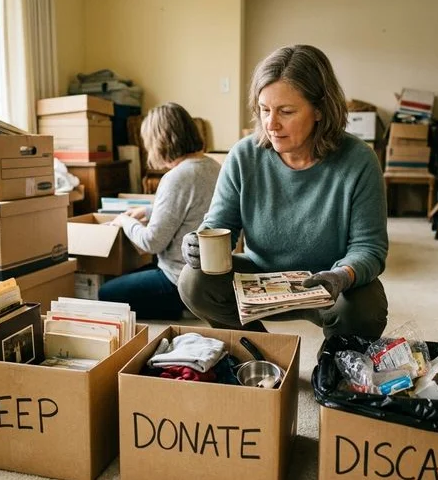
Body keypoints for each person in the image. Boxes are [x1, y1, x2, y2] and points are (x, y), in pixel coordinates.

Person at [178, 44, 388, 340]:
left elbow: (370, 248)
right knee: (193, 282)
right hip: (259, 275)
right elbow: (219, 226)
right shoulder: (243, 156)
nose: (271, 124)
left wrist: (343, 276)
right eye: (264, 110)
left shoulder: (359, 160)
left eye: (286, 112)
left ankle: (334, 365)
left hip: (328, 280)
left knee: (367, 308)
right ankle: (260, 351)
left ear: (319, 110)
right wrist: (200, 243)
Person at [100, 102, 221, 320]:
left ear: (161, 141)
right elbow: (188, 208)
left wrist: (124, 221)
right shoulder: (212, 166)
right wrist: (147, 211)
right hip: (208, 277)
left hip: (179, 280)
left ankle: (181, 309)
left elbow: (152, 243)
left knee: (106, 292)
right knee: (134, 275)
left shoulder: (176, 177)